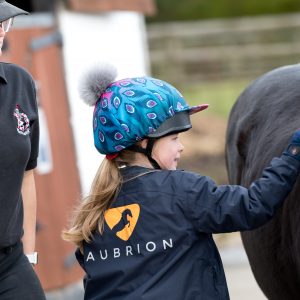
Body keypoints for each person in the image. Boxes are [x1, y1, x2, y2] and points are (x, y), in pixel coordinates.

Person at [62, 63, 300, 300]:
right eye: (174, 138)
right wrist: (292, 154)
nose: (181, 146)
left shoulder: (93, 211)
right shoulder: (183, 191)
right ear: (145, 142)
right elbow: (253, 206)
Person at [0, 1, 45, 299]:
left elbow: (27, 175)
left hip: (10, 258)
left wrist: (29, 255)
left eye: (2, 24)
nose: (1, 32)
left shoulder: (20, 83)